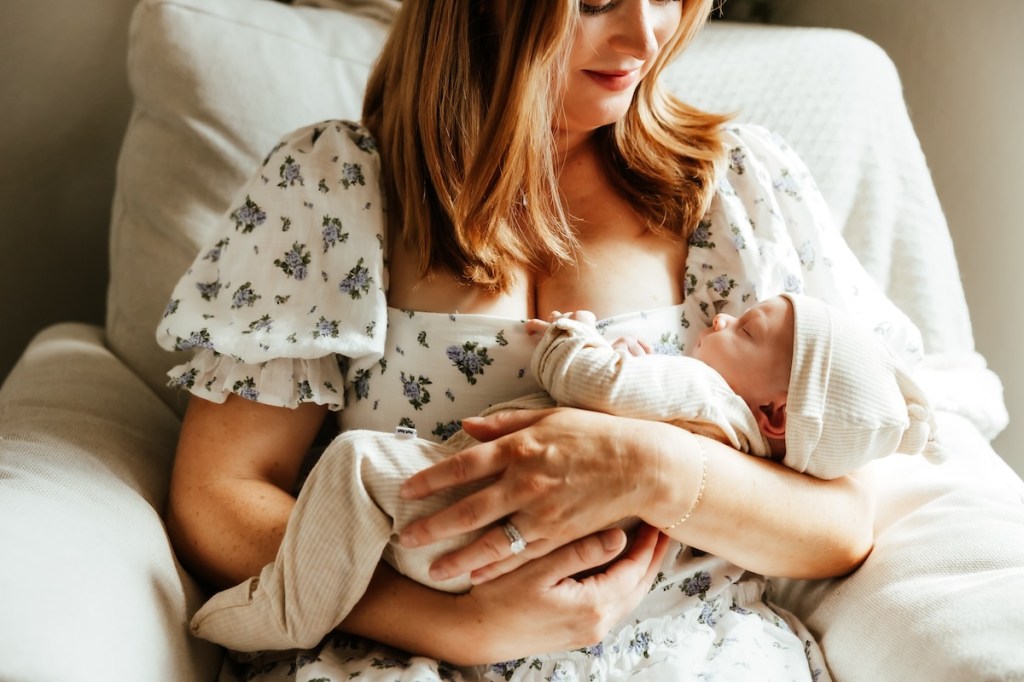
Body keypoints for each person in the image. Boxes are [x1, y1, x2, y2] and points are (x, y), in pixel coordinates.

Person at [158, 0, 926, 678]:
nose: (646, 33)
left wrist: (651, 465)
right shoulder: (332, 185)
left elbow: (843, 523)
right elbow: (218, 495)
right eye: (595, 1)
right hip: (403, 657)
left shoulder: (736, 189)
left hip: (685, 652)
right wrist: (450, 625)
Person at [186, 294, 944, 655]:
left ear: (776, 415)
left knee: (356, 465)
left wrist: (577, 343)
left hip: (477, 538)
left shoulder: (701, 391)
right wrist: (460, 629)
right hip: (490, 580)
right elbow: (219, 484)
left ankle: (288, 609)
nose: (719, 319)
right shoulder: (735, 421)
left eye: (744, 329)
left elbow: (589, 384)